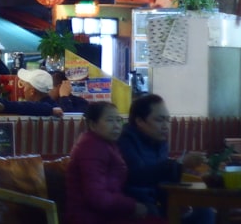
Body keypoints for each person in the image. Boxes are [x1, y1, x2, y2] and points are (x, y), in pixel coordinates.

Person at [118, 94, 214, 224]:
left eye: (167, 120)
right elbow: (137, 175)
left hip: (159, 202)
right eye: (159, 120)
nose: (166, 126)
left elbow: (163, 179)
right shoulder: (125, 140)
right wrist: (180, 163)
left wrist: (179, 200)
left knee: (204, 212)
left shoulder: (160, 142)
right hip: (135, 205)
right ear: (139, 121)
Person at [66, 101, 165, 224]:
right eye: (110, 120)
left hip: (108, 214)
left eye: (119, 120)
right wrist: (132, 206)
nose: (117, 126)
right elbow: (96, 197)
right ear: (92, 125)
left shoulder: (106, 144)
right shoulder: (91, 148)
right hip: (91, 217)